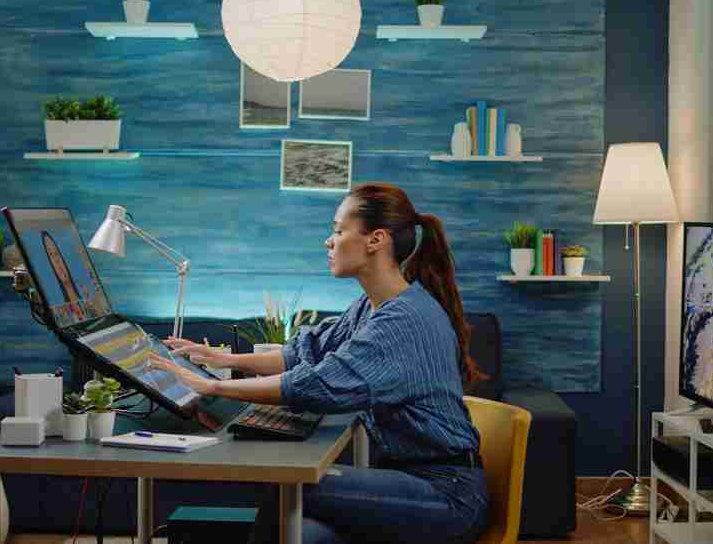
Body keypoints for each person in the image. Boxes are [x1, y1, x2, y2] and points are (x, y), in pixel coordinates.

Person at [149, 182, 490, 544]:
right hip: (417, 481)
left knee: (292, 490)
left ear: (375, 240)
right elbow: (304, 352)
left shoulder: (402, 322)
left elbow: (315, 384)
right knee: (301, 532)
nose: (329, 241)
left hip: (446, 496)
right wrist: (223, 359)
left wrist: (214, 386)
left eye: (339, 230)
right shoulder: (373, 306)